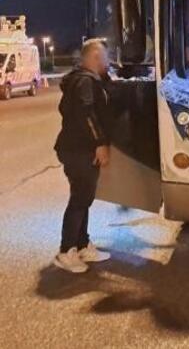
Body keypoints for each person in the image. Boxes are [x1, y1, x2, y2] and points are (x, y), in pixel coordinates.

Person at [53, 39, 112, 273]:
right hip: (78, 149)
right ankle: (66, 250)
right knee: (80, 198)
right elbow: (87, 113)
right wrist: (100, 143)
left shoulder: (84, 80)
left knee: (84, 197)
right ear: (95, 57)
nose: (108, 61)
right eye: (106, 57)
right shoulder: (85, 82)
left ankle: (81, 244)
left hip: (78, 148)